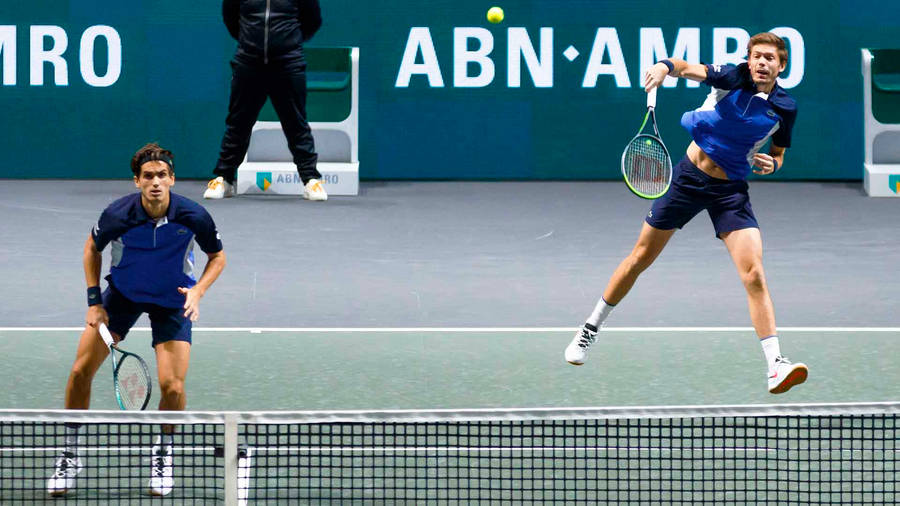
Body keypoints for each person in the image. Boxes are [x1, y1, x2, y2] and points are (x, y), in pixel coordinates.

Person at [564, 32, 808, 395]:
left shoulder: (785, 108)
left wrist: (772, 164)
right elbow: (687, 68)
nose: (761, 63)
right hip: (688, 180)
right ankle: (589, 330)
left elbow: (779, 154)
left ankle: (775, 364)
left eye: (769, 58)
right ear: (749, 59)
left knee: (754, 272)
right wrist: (664, 67)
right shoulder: (732, 76)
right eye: (756, 56)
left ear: (781, 65)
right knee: (640, 258)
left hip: (731, 192)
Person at [47, 143, 226, 497]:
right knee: (80, 371)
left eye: (162, 175)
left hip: (172, 301)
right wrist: (94, 301)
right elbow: (90, 249)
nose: (155, 182)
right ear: (137, 181)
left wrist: (198, 291)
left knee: (172, 387)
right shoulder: (118, 215)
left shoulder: (193, 216)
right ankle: (70, 452)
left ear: (172, 179)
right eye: (148, 176)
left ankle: (163, 453)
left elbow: (217, 257)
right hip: (123, 297)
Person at [204, 0, 327, 201]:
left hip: (288, 64)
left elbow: (312, 21)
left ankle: (311, 180)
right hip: (248, 63)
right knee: (238, 124)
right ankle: (224, 179)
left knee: (296, 124)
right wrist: (251, 43)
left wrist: (288, 43)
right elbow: (231, 20)